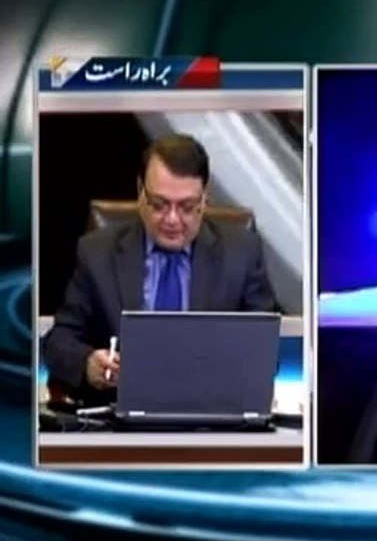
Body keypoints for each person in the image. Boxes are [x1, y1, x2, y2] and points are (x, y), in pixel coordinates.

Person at [43, 133, 277, 404]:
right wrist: (87, 363)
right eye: (159, 205)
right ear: (140, 191)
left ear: (204, 198)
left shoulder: (241, 253)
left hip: (211, 413)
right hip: (118, 415)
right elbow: (58, 341)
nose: (172, 219)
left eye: (187, 207)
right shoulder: (97, 253)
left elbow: (265, 350)